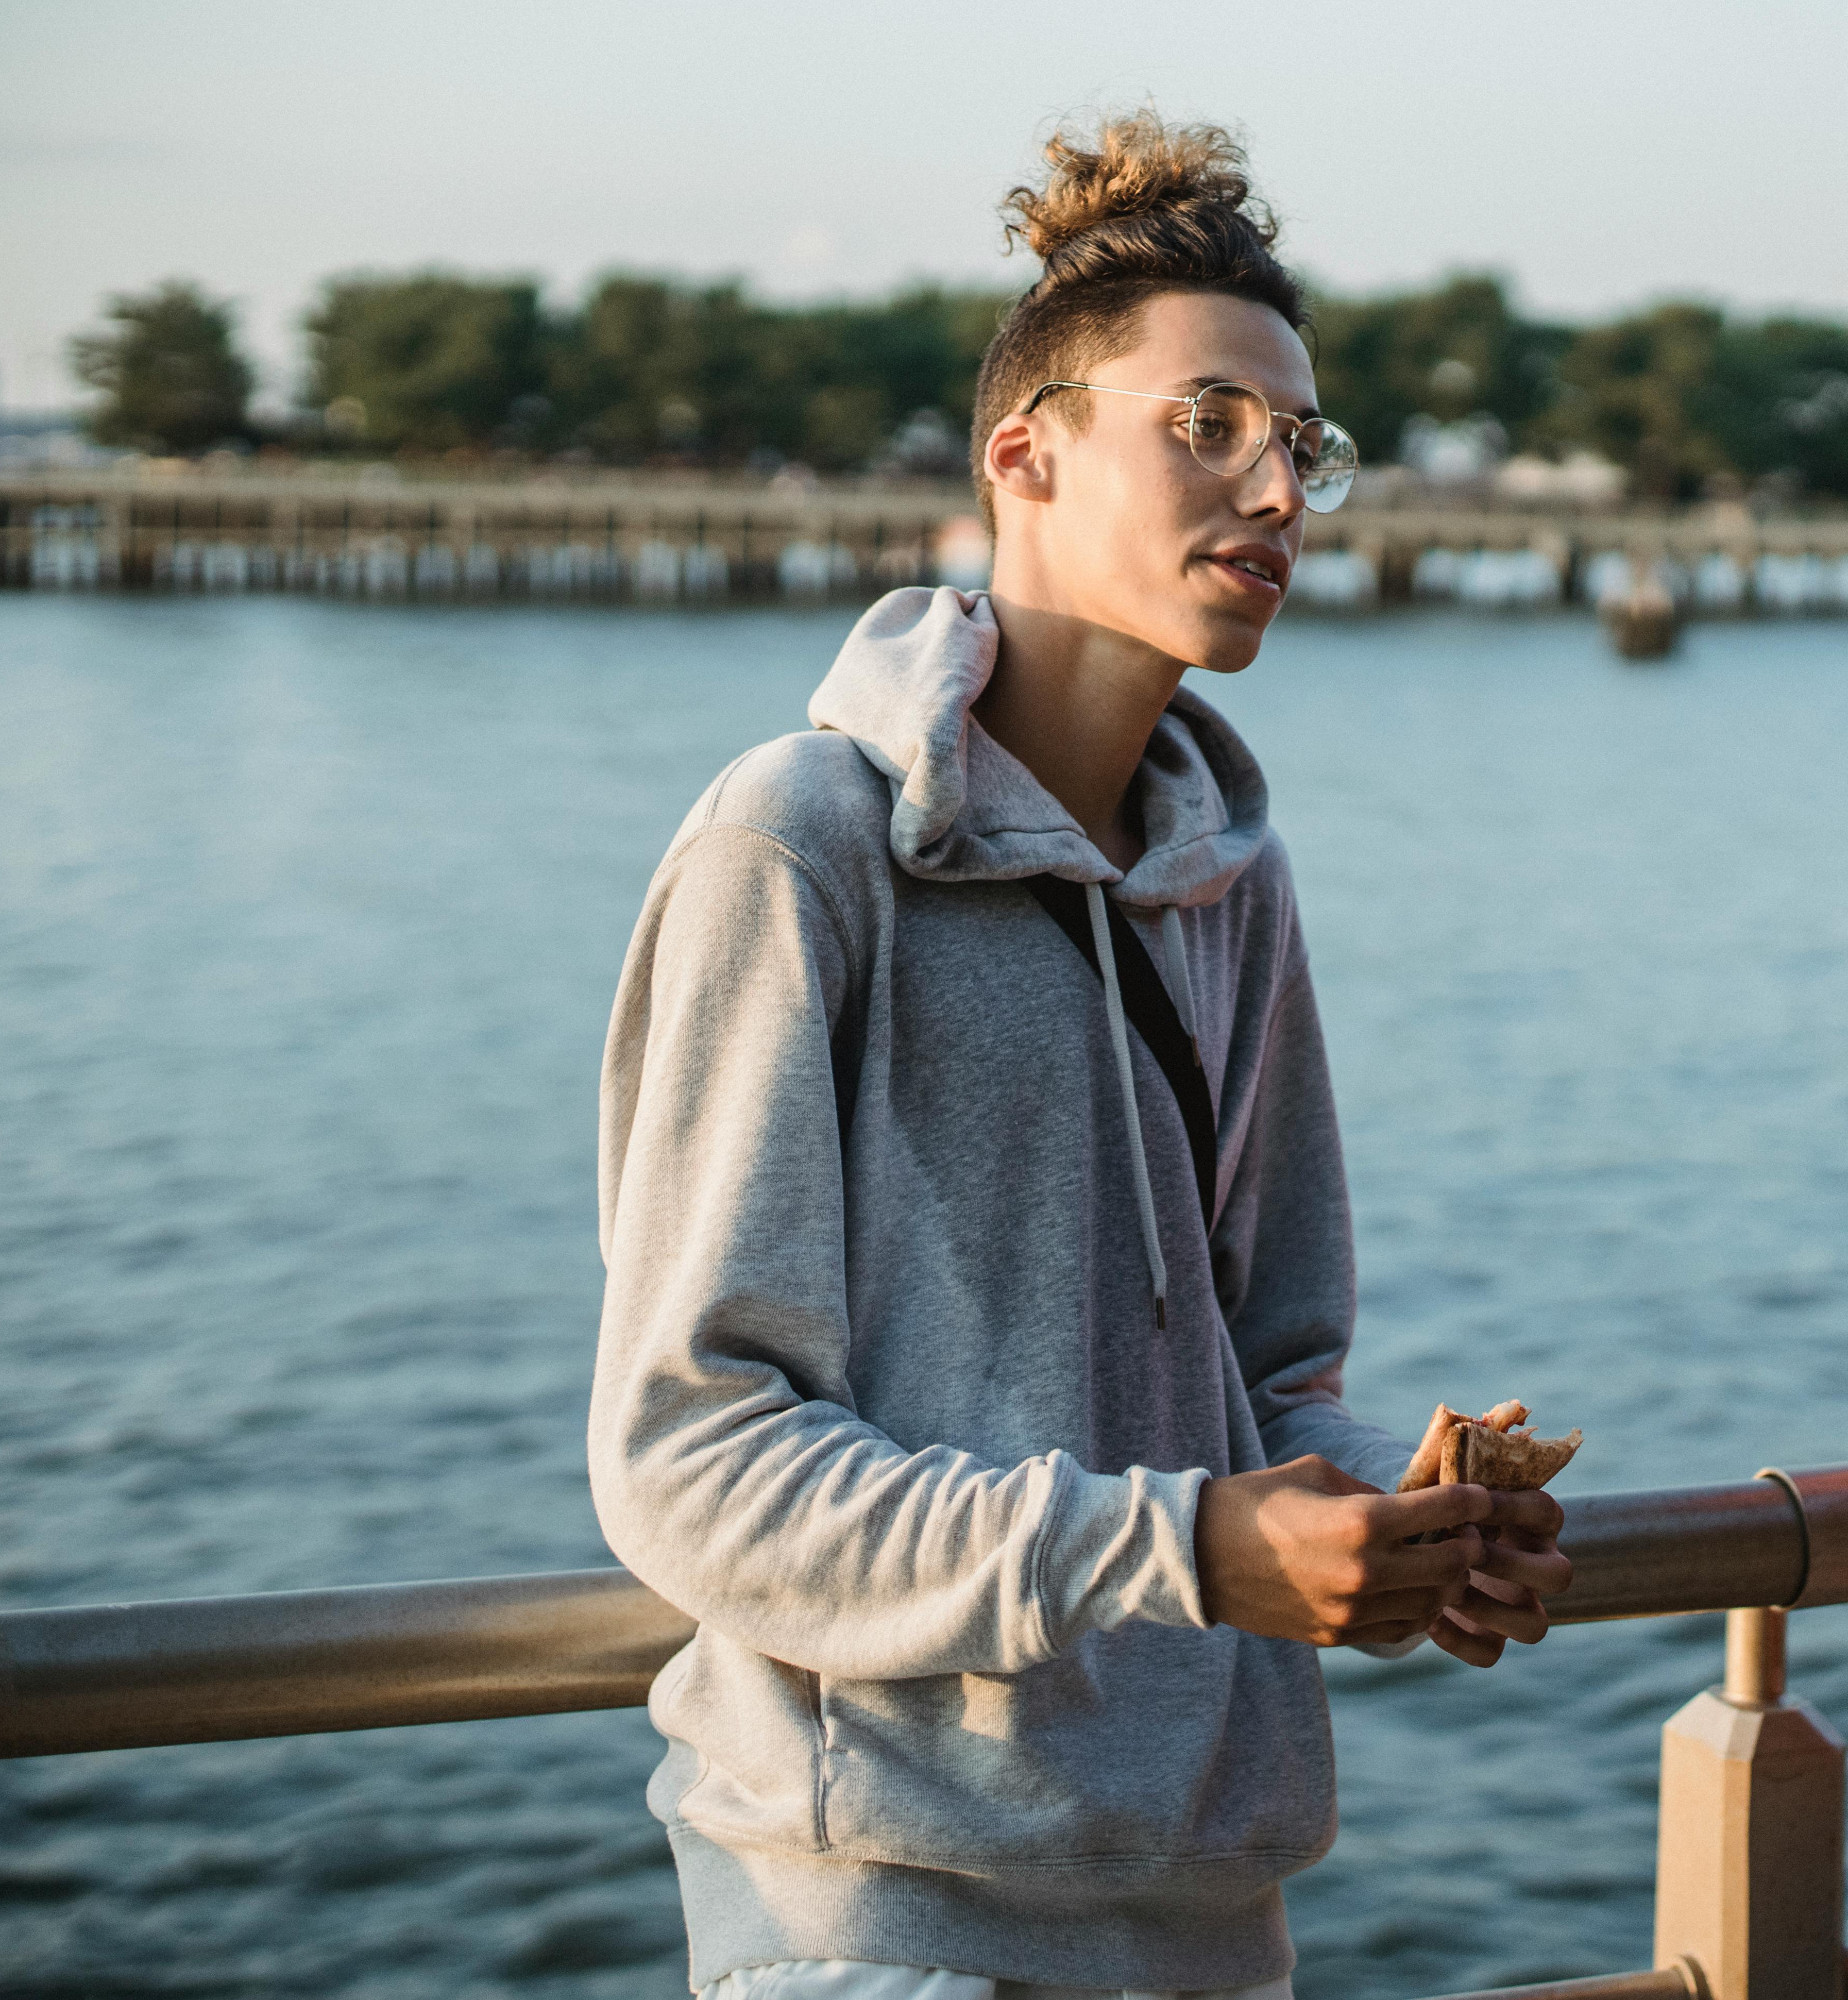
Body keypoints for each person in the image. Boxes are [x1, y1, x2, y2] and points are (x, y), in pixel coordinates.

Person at [588, 113, 1569, 2000]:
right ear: (1020, 457)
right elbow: (690, 1458)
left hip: (1211, 1922)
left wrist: (1396, 1517)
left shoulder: (1229, 881)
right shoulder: (795, 846)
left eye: (1305, 446)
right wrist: (1193, 1544)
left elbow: (1267, 1371)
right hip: (875, 1919)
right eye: (1209, 425)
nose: (1278, 489)